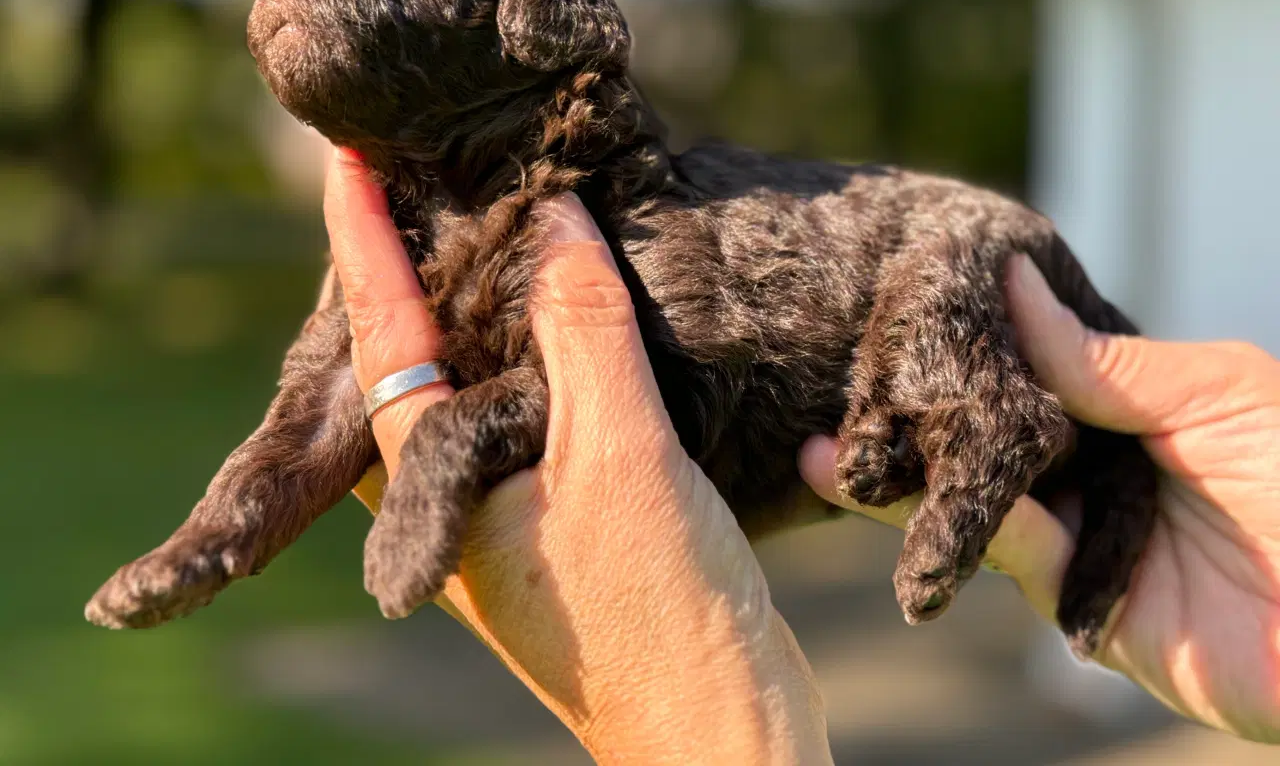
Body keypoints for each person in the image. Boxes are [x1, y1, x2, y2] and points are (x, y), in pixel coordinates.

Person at [324, 148, 1280, 760]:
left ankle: (977, 464)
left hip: (969, 261)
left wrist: (685, 695)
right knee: (898, 412)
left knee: (950, 360)